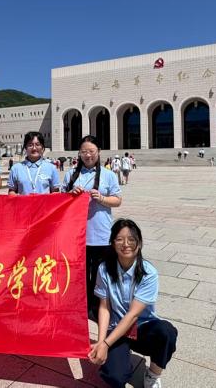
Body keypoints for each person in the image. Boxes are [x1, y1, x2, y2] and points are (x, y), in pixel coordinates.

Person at [88, 219, 177, 388]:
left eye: (131, 239)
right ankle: (120, 355)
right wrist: (101, 341)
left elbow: (133, 315)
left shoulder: (148, 273)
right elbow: (104, 307)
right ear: (112, 243)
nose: (125, 244)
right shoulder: (104, 269)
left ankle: (153, 374)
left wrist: (106, 344)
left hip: (142, 328)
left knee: (166, 332)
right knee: (114, 377)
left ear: (139, 243)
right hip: (116, 328)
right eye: (119, 239)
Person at [61, 135, 122, 319]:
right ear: (79, 154)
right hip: (77, 234)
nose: (88, 155)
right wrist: (70, 195)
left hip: (101, 233)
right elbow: (60, 200)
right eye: (84, 152)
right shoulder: (71, 174)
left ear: (99, 152)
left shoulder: (108, 175)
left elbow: (117, 200)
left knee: (99, 274)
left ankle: (96, 308)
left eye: (91, 151)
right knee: (79, 273)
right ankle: (80, 306)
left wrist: (101, 198)